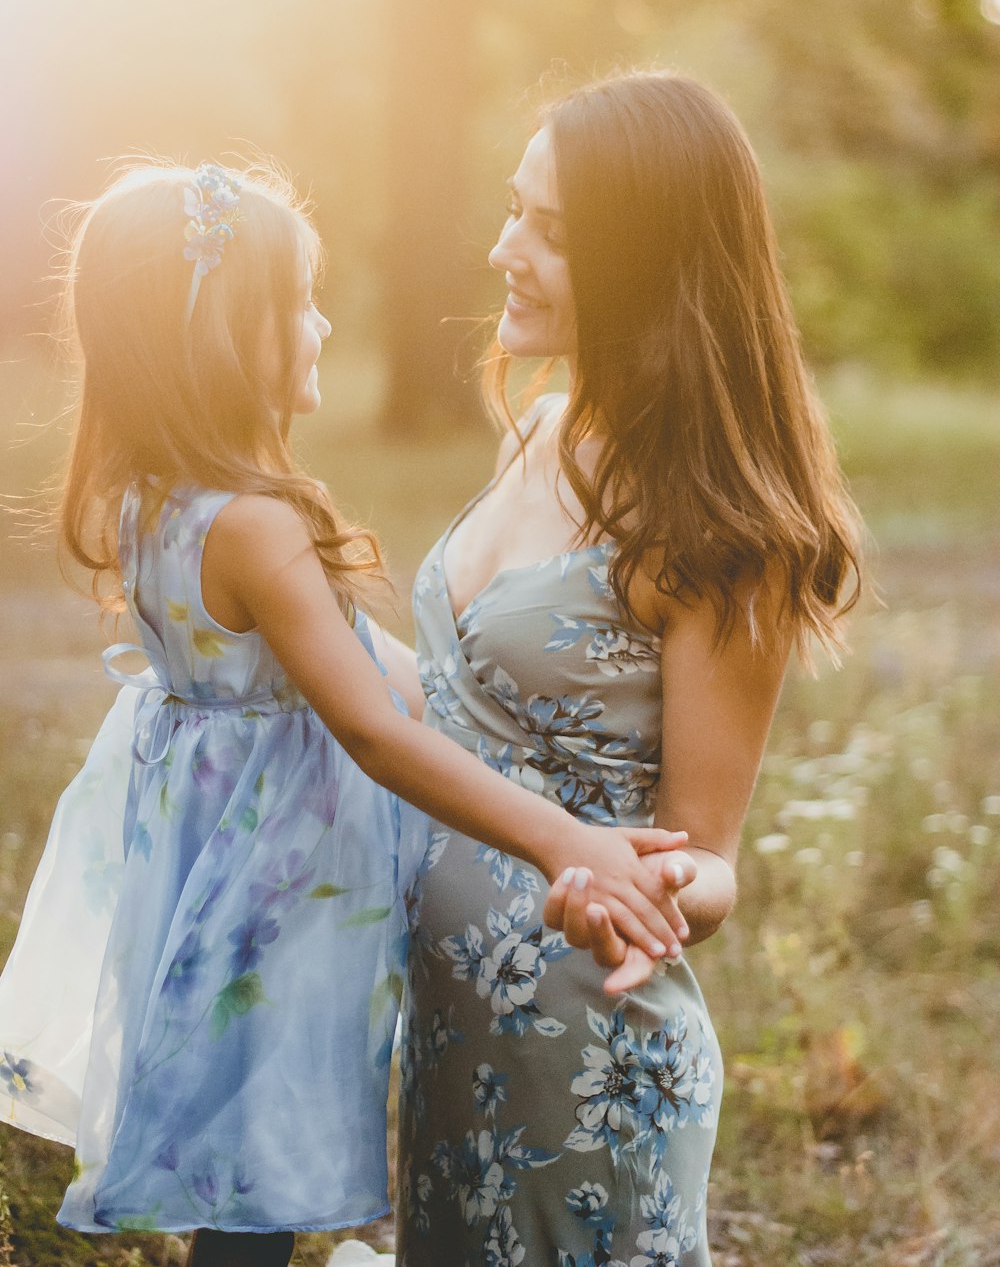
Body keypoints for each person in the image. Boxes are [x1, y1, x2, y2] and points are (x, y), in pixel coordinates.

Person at [0, 160, 688, 1267]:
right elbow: (372, 726)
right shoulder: (257, 528)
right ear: (226, 338)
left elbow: (373, 672)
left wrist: (491, 707)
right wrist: (567, 836)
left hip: (208, 869)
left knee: (235, 1168)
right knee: (256, 1182)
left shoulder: (154, 497)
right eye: (299, 304)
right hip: (273, 897)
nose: (322, 324)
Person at [393, 71, 862, 1265]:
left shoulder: (711, 532)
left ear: (646, 264)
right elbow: (453, 712)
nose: (505, 249)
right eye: (513, 210)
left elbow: (706, 857)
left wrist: (647, 905)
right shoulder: (540, 432)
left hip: (587, 1068)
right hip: (451, 1036)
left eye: (551, 233)